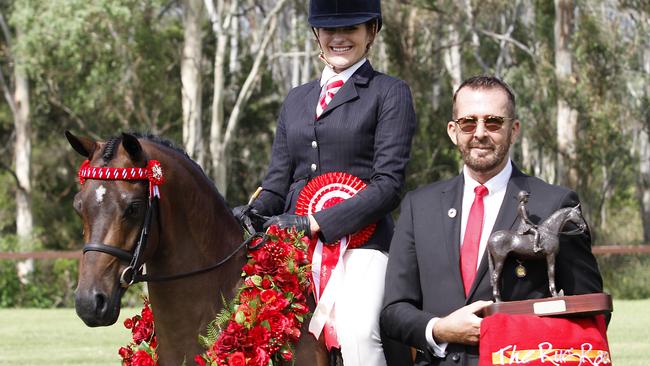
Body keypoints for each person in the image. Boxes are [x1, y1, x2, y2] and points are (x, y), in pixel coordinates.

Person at [233, 1, 416, 365]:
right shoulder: (296, 99)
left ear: (371, 32)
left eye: (349, 28)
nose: (338, 38)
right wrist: (252, 213)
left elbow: (388, 185)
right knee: (243, 324)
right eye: (329, 29)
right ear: (317, 34)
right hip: (292, 246)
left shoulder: (389, 92)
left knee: (359, 332)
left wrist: (315, 222)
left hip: (363, 245)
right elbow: (276, 182)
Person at [380, 76, 603, 366]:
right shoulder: (417, 206)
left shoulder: (555, 204)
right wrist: (438, 329)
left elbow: (590, 307)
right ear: (453, 131)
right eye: (468, 123)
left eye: (494, 122)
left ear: (514, 130)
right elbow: (394, 309)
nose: (480, 133)